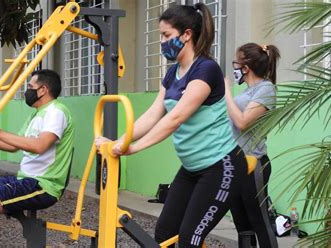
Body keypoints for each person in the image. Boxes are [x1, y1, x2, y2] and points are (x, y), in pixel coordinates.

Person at [96, 3, 248, 247]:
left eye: (167, 35)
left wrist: (133, 149)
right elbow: (154, 114)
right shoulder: (172, 73)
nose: (162, 41)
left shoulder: (206, 69)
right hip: (191, 168)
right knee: (164, 234)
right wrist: (121, 141)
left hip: (221, 167)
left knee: (190, 239)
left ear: (186, 34)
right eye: (161, 36)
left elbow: (175, 118)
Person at [0, 69, 74, 247]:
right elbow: (12, 146)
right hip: (24, 179)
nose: (28, 91)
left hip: (42, 185)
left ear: (42, 90)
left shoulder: (56, 112)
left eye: (30, 87)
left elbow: (40, 146)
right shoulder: (37, 114)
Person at [225, 43, 281, 247]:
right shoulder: (246, 92)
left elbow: (242, 122)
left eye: (236, 63)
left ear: (245, 68)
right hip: (236, 165)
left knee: (260, 221)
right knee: (242, 224)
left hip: (254, 163)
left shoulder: (266, 89)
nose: (234, 68)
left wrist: (226, 94)